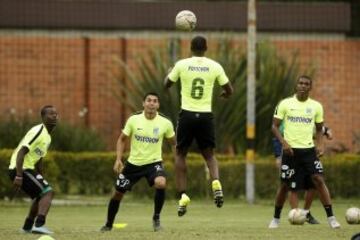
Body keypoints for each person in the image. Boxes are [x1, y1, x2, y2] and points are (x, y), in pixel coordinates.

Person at [164, 35, 233, 216]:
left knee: (180, 154)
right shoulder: (215, 66)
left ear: (190, 48)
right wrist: (225, 95)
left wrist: (169, 72)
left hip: (186, 115)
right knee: (209, 156)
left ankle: (183, 195)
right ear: (206, 48)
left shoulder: (181, 64)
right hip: (205, 116)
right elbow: (229, 90)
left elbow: (166, 85)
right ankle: (216, 182)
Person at [268, 75, 340, 229]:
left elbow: (320, 128)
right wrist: (284, 143)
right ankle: (275, 219)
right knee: (285, 186)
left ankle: (332, 218)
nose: (303, 86)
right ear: (296, 85)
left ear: (310, 88)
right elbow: (274, 127)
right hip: (290, 152)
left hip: (308, 151)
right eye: (300, 83)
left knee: (318, 180)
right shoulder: (285, 104)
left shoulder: (316, 106)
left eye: (306, 84)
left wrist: (320, 145)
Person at [100, 92, 176, 232]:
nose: (152, 103)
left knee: (161, 182)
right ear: (144, 103)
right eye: (149, 100)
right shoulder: (134, 120)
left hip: (154, 163)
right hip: (133, 164)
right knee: (117, 193)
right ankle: (108, 224)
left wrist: (177, 160)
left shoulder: (165, 123)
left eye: (155, 101)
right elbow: (122, 139)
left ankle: (156, 219)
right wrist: (118, 159)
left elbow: (173, 143)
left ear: (158, 105)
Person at [269, 123, 333, 228]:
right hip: (290, 155)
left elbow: (316, 128)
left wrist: (326, 130)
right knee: (291, 185)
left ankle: (306, 212)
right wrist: (278, 156)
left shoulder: (309, 115)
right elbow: (277, 135)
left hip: (307, 155)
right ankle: (295, 214)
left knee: (314, 183)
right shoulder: (287, 119)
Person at [8, 105, 58, 234]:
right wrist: (19, 175)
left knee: (40, 195)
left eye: (56, 114)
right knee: (48, 192)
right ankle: (39, 225)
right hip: (21, 168)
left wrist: (41, 175)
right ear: (43, 117)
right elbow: (21, 152)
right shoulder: (38, 131)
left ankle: (27, 227)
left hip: (28, 169)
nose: (54, 116)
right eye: (51, 114)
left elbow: (39, 159)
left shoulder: (48, 137)